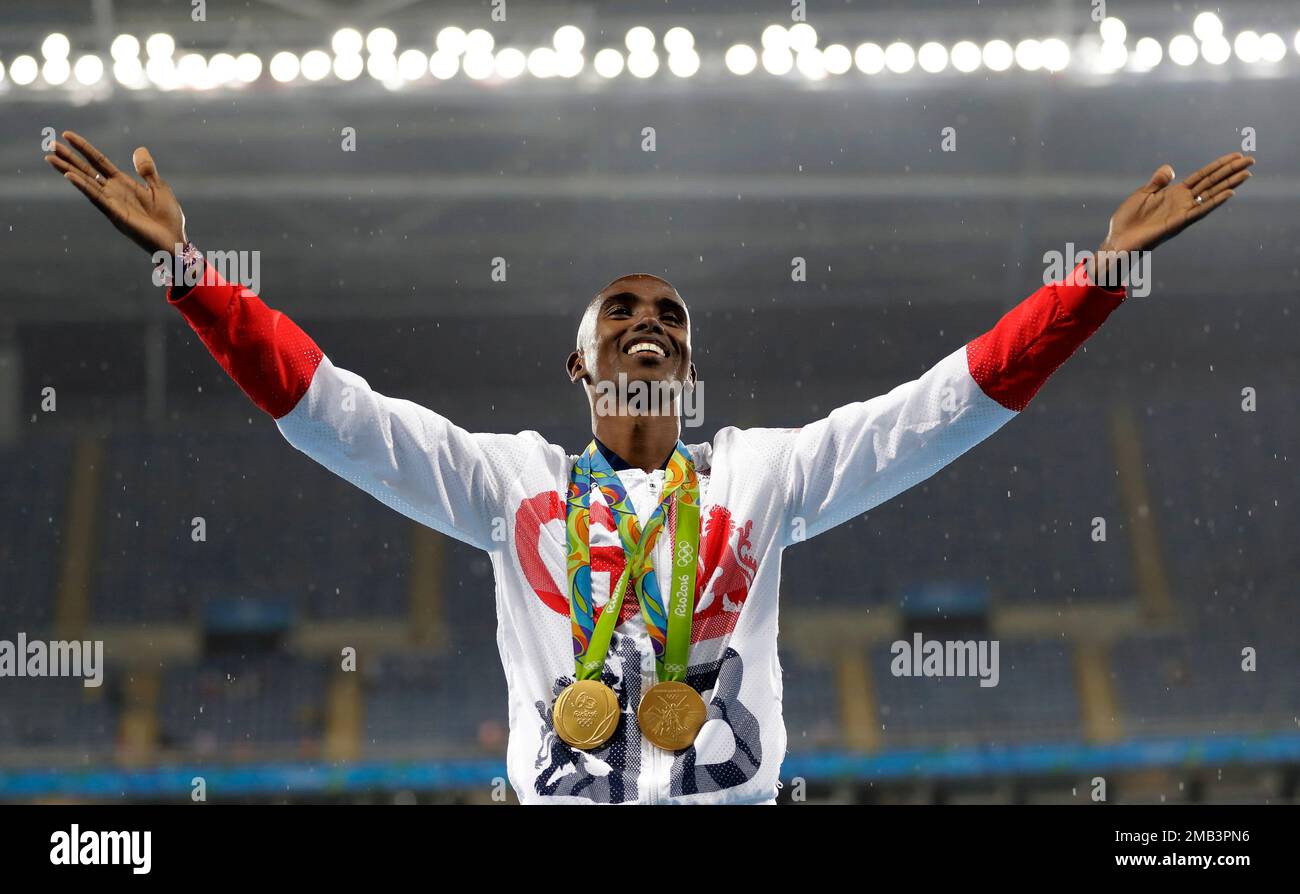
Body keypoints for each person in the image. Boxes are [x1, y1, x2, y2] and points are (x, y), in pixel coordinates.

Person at [46, 132, 1254, 804]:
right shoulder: (506, 484)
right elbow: (331, 413)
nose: (649, 322)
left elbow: (943, 408)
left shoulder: (763, 477)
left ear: (685, 361)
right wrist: (190, 275)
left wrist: (1092, 282)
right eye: (620, 311)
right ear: (576, 365)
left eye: (670, 316)